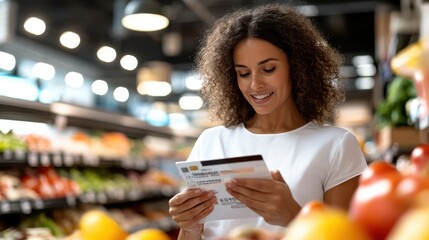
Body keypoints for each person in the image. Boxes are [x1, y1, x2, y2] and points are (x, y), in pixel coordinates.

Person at [168, 3, 367, 240]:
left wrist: (292, 215)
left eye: (269, 69)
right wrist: (189, 228)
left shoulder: (337, 145)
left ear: (297, 67)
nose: (255, 85)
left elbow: (346, 236)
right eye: (243, 73)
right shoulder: (211, 142)